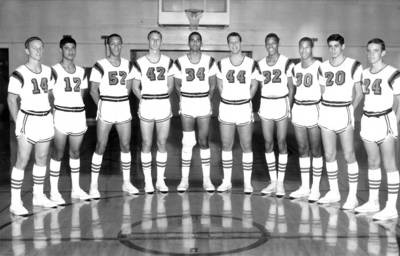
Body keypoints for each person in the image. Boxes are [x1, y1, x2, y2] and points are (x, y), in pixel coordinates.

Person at [8, 36, 58, 215]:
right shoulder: (19, 73)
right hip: (27, 119)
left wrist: (51, 115)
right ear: (26, 50)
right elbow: (11, 99)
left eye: (41, 47)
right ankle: (15, 202)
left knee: (42, 159)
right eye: (34, 47)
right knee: (22, 160)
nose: (38, 50)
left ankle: (38, 195)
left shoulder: (48, 71)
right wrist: (17, 123)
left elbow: (51, 95)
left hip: (45, 119)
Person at [354, 38, 400, 220]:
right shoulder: (364, 74)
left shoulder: (392, 73)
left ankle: (391, 207)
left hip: (385, 119)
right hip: (368, 119)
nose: (371, 54)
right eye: (369, 50)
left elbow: (399, 99)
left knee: (389, 164)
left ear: (383, 53)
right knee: (372, 162)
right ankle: (373, 202)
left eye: (376, 51)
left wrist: (394, 120)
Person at [89, 33, 138, 199]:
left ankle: (126, 182)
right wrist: (101, 106)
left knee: (125, 145)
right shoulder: (99, 65)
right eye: (113, 44)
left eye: (118, 44)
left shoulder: (128, 65)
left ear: (121, 45)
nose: (116, 47)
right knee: (100, 146)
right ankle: (93, 185)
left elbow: (129, 88)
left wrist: (120, 100)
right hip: (106, 106)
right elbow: (93, 90)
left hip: (123, 106)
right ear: (108, 46)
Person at [317, 34, 363, 210]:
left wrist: (351, 108)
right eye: (330, 46)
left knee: (348, 154)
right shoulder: (323, 67)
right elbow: (323, 91)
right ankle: (334, 192)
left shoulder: (354, 65)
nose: (333, 49)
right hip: (327, 111)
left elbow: (359, 92)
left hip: (344, 110)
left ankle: (352, 196)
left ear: (343, 46)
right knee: (329, 154)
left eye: (336, 46)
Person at [129, 30, 175, 193]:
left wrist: (161, 97)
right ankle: (148, 181)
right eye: (152, 39)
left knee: (162, 143)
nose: (155, 42)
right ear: (148, 41)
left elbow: (171, 85)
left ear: (161, 42)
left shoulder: (168, 61)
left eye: (158, 39)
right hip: (147, 105)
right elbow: (134, 87)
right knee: (147, 143)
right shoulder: (139, 62)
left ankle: (160, 181)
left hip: (162, 104)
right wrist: (144, 99)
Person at [215, 32, 261, 194]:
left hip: (243, 108)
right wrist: (228, 97)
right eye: (231, 42)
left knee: (246, 145)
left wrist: (245, 98)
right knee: (226, 145)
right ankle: (226, 181)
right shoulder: (221, 64)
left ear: (241, 43)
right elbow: (219, 85)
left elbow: (254, 85)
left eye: (236, 42)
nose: (234, 45)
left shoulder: (251, 63)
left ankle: (247, 183)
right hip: (227, 107)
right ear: (228, 45)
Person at [48, 35, 91, 204]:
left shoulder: (81, 71)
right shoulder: (53, 70)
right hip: (61, 115)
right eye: (67, 48)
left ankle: (75, 189)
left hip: (78, 115)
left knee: (75, 153)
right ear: (61, 50)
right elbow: (49, 95)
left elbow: (82, 94)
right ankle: (53, 191)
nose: (70, 51)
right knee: (58, 153)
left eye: (73, 48)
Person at [174, 32, 217, 192]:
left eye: (197, 40)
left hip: (203, 102)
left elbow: (212, 85)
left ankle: (207, 180)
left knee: (204, 141)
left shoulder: (209, 61)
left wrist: (208, 99)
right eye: (192, 40)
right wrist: (183, 99)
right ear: (188, 43)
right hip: (187, 102)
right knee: (187, 142)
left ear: (201, 43)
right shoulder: (180, 61)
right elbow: (177, 85)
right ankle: (184, 180)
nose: (195, 43)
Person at [258, 33, 294, 197]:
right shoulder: (260, 64)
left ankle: (280, 183)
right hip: (266, 104)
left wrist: (290, 106)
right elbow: (258, 87)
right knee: (267, 143)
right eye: (268, 44)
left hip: (281, 103)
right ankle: (273, 182)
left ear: (278, 44)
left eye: (273, 43)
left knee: (281, 142)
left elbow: (291, 87)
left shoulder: (286, 62)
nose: (270, 46)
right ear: (265, 45)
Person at [289, 37, 323, 201]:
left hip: (314, 108)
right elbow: (294, 89)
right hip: (299, 108)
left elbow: (325, 91)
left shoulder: (319, 67)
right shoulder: (295, 68)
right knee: (302, 149)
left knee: (315, 149)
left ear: (312, 48)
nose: (303, 51)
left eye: (307, 47)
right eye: (301, 47)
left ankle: (315, 189)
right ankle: (304, 186)